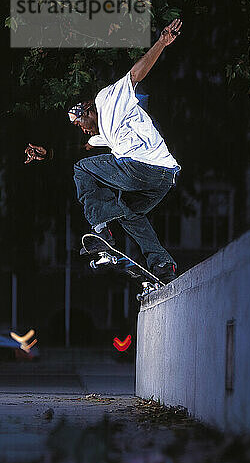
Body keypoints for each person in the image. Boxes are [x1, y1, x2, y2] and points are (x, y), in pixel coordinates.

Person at [24, 18, 183, 284]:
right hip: (164, 177)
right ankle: (163, 264)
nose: (82, 130)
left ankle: (100, 229)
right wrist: (49, 153)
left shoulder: (107, 100)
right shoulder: (105, 134)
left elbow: (136, 74)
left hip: (140, 167)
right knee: (129, 212)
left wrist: (161, 43)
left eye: (80, 124)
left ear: (87, 111)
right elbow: (83, 148)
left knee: (81, 170)